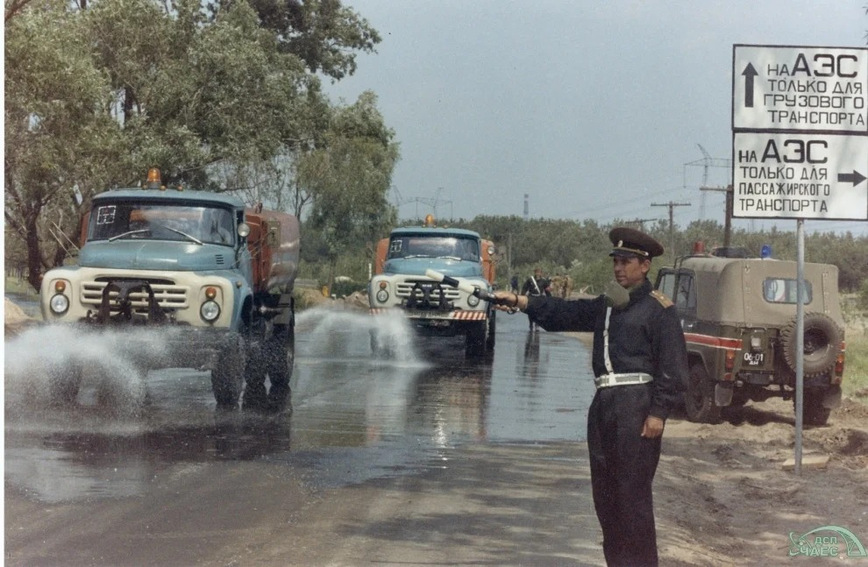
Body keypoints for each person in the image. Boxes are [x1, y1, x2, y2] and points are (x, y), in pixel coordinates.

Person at [493, 227, 688, 567]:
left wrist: (658, 413)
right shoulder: (609, 304)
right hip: (604, 406)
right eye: (616, 261)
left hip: (636, 407)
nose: (618, 268)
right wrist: (522, 302)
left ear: (645, 266)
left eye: (626, 262)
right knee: (606, 499)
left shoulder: (661, 311)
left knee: (633, 499)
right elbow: (564, 314)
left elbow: (673, 369)